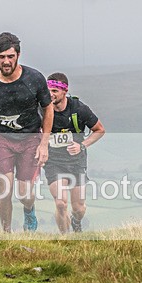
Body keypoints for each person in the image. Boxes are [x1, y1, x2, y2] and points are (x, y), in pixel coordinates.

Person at [0, 32, 54, 232]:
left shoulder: (34, 79)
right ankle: (6, 233)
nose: (6, 61)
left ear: (18, 55)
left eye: (10, 56)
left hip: (30, 138)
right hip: (1, 139)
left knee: (24, 194)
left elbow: (48, 108)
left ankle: (29, 209)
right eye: (1, 57)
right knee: (4, 189)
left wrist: (44, 143)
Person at [43, 72, 105, 233]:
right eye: (48, 90)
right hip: (53, 161)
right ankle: (65, 239)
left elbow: (99, 130)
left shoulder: (79, 109)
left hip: (76, 162)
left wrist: (81, 145)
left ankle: (76, 222)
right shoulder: (41, 110)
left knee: (79, 208)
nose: (51, 94)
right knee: (60, 203)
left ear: (65, 91)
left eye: (55, 91)